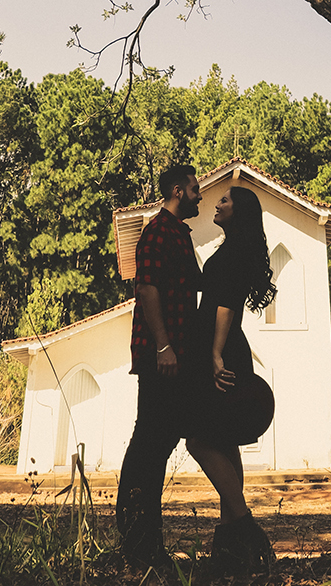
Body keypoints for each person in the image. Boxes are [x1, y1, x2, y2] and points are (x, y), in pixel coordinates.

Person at [184, 185, 278, 573]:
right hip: (222, 346)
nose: (217, 204)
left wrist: (215, 353)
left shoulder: (234, 252)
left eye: (225, 200)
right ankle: (231, 548)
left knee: (199, 440)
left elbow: (225, 305)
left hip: (220, 347)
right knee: (224, 439)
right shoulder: (234, 247)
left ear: (238, 211)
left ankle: (246, 527)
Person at [116, 162, 202, 571]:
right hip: (161, 356)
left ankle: (149, 542)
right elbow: (146, 288)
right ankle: (136, 540)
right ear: (177, 191)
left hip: (179, 356)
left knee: (162, 441)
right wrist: (164, 346)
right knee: (149, 441)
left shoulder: (181, 234)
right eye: (195, 189)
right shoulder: (156, 231)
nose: (200, 196)